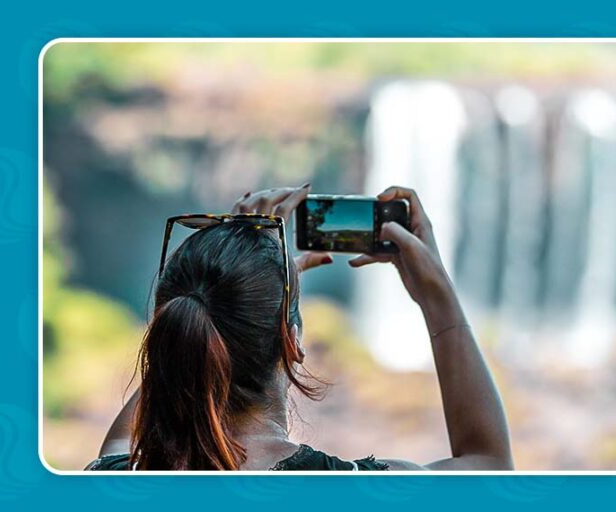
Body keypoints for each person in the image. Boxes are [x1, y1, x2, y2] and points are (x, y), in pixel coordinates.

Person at [86, 185, 513, 471]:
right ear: (290, 342)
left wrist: (243, 283)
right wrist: (436, 293)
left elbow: (181, 341)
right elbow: (487, 463)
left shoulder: (112, 475)